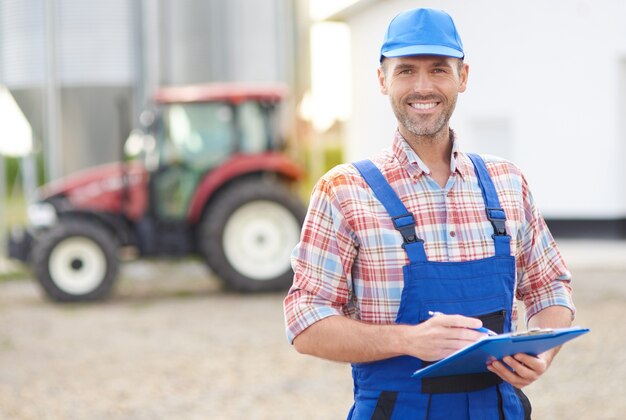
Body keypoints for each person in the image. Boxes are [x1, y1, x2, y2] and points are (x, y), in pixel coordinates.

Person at [283, 7, 575, 419]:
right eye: (406, 71)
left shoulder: (507, 182)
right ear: (382, 79)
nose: (422, 86)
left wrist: (540, 351)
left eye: (438, 69)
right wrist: (409, 340)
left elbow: (552, 289)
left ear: (463, 77)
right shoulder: (344, 191)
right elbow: (305, 324)